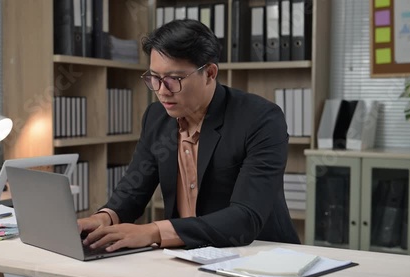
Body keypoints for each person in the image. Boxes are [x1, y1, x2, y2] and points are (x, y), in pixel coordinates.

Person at [78, 19, 300, 252]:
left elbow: (245, 218)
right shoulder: (157, 117)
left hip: (261, 255)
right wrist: (104, 218)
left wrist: (152, 231)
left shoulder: (260, 119)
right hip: (188, 255)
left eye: (174, 79)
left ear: (210, 73)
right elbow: (133, 191)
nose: (162, 91)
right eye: (155, 78)